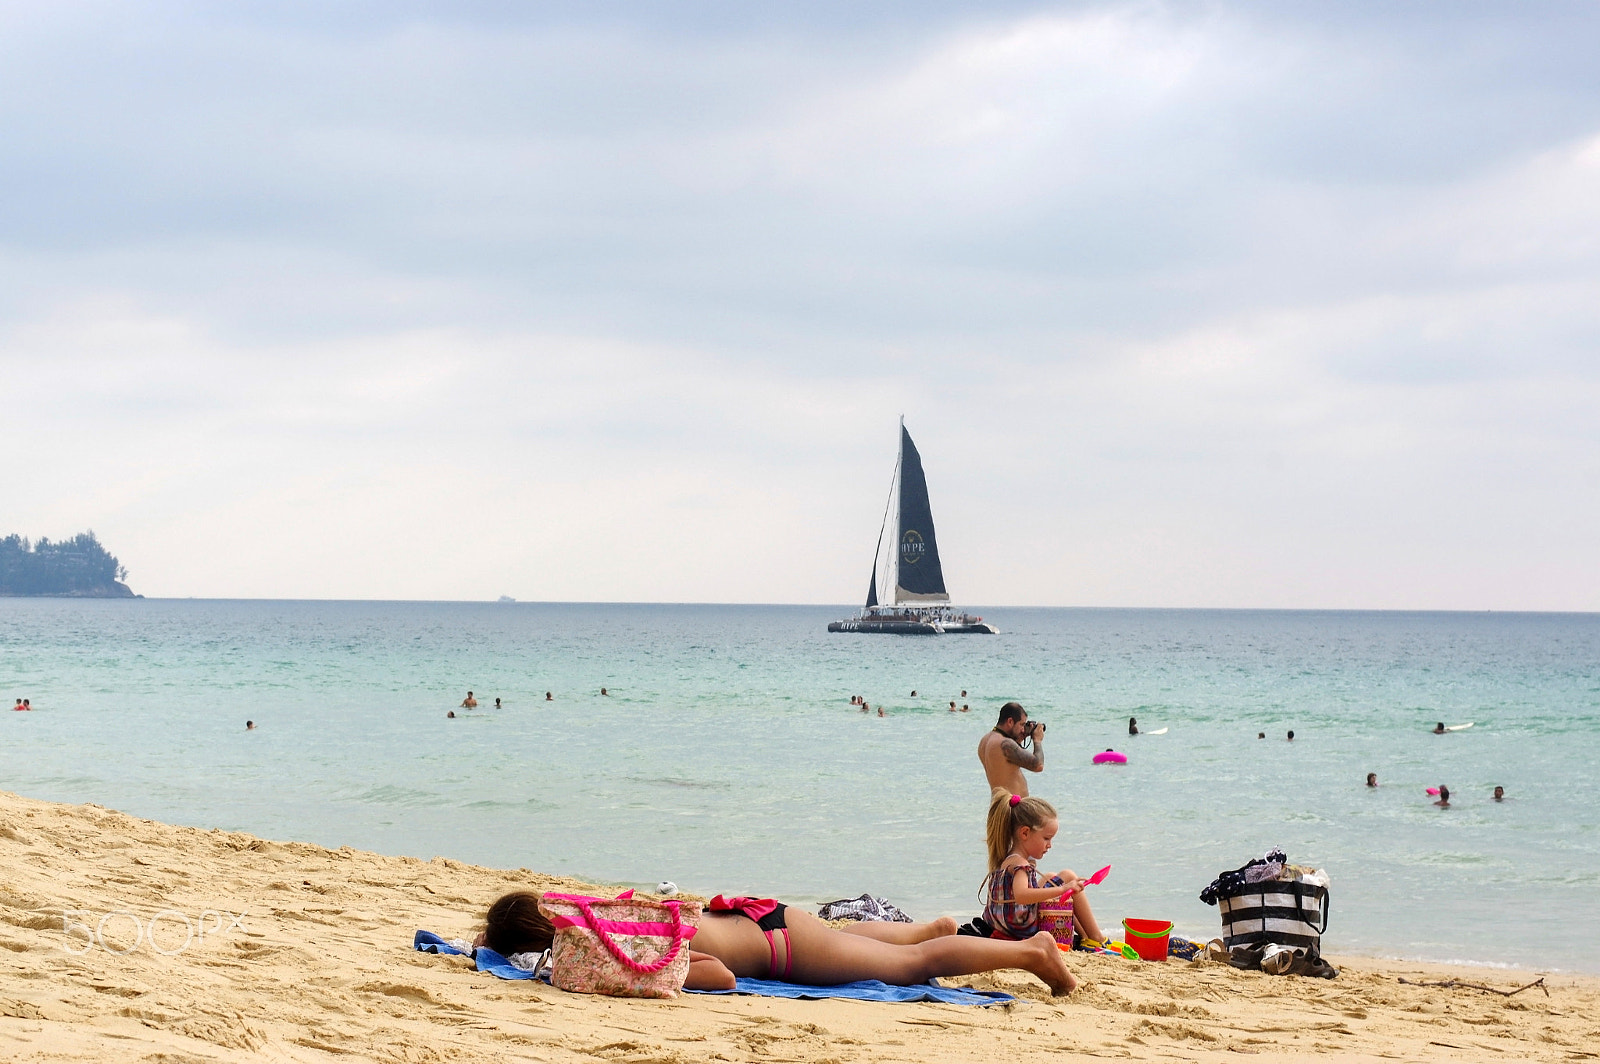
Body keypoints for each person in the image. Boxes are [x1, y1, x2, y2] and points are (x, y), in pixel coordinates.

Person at [477, 890, 1077, 995]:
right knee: (853, 943)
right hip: (760, 917)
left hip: (779, 945)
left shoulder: (602, 956)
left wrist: (663, 984)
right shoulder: (602, 918)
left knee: (914, 969)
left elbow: (720, 975)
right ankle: (926, 926)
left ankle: (1033, 954)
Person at [983, 791, 1105, 944]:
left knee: (1052, 876)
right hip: (1021, 926)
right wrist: (1063, 889)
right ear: (1025, 833)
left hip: (1007, 922)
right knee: (1068, 876)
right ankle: (1097, 938)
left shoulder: (1008, 860)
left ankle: (1085, 938)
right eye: (1046, 838)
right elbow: (1021, 895)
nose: (1050, 845)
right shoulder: (1021, 865)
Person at [979, 703, 1045, 797]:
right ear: (1010, 721)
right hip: (1012, 807)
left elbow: (1006, 766)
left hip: (1000, 804)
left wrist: (1020, 738)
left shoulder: (985, 740)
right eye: (1021, 724)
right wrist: (1037, 740)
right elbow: (1038, 765)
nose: (1023, 729)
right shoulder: (1005, 744)